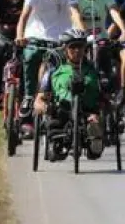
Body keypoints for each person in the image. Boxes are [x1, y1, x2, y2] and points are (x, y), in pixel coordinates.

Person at [16, 0, 84, 138]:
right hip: (36, 35)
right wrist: (20, 36)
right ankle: (29, 96)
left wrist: (82, 32)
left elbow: (75, 13)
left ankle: (63, 103)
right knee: (30, 57)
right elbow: (24, 16)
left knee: (65, 67)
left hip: (60, 38)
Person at [34, 28, 104, 159]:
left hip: (88, 111)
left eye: (80, 47)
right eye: (73, 47)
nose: (77, 51)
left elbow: (104, 97)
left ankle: (94, 140)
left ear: (85, 49)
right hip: (62, 111)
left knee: (94, 142)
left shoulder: (94, 71)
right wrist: (45, 108)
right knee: (55, 141)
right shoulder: (53, 72)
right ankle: (58, 145)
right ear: (65, 49)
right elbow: (38, 100)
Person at [76, 0, 125, 84]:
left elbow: (114, 12)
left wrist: (124, 30)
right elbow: (75, 14)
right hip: (81, 37)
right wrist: (84, 31)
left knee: (102, 51)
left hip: (100, 36)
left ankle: (105, 80)